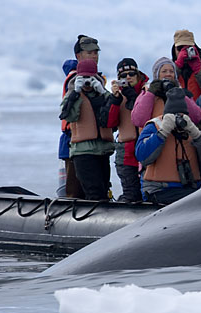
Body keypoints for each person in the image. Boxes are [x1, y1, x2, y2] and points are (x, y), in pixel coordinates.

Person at [135, 87, 201, 204]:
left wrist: (197, 135)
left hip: (190, 189)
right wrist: (162, 133)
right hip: (160, 190)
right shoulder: (154, 126)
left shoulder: (190, 128)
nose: (178, 118)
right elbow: (142, 156)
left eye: (182, 115)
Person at [59, 59, 114, 201]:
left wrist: (103, 93)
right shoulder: (72, 96)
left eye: (90, 78)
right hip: (82, 152)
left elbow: (114, 115)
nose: (87, 83)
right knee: (94, 193)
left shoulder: (103, 95)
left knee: (103, 188)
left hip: (102, 150)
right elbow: (69, 116)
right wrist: (75, 94)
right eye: (83, 78)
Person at [58, 34, 103, 199]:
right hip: (74, 141)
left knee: (97, 189)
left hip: (96, 144)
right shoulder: (74, 80)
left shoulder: (97, 79)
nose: (94, 55)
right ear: (79, 55)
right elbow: (68, 113)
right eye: (89, 52)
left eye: (96, 52)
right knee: (75, 191)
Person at [105, 58, 149, 202]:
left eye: (131, 74)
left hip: (147, 148)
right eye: (123, 76)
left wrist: (133, 95)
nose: (128, 78)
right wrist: (115, 100)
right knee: (131, 193)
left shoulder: (148, 92)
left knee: (148, 191)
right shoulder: (117, 97)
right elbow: (110, 123)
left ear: (138, 74)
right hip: (126, 152)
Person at [131, 57, 201, 130]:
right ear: (157, 75)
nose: (168, 74)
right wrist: (151, 93)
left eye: (171, 71)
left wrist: (180, 93)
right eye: (164, 71)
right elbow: (138, 121)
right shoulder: (146, 92)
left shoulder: (182, 92)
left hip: (180, 139)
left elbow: (196, 117)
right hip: (156, 138)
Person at [171, 29, 201, 99]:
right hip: (177, 109)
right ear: (174, 50)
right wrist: (177, 66)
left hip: (200, 109)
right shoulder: (167, 68)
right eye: (180, 48)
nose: (184, 51)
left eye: (188, 48)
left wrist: (199, 71)